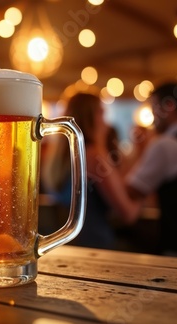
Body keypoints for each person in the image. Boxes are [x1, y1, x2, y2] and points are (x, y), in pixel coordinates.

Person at [42, 92, 141, 249]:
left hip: (65, 247)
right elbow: (128, 214)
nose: (106, 121)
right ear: (92, 118)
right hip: (97, 246)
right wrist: (145, 192)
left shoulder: (57, 158)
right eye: (102, 112)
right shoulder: (93, 155)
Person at [125, 81, 177, 256]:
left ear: (169, 106)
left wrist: (138, 148)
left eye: (154, 108)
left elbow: (132, 190)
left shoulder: (165, 144)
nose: (152, 116)